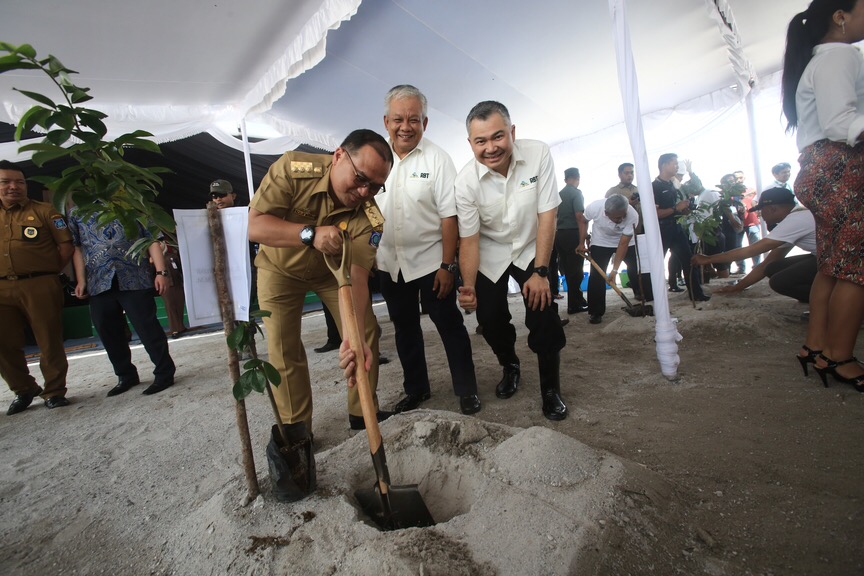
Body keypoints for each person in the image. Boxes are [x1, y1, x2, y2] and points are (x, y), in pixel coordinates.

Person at [248, 129, 394, 432]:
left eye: (376, 187)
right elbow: (254, 226)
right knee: (282, 346)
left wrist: (351, 334)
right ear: (339, 155)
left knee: (364, 331)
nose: (365, 192)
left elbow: (356, 277)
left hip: (333, 274)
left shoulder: (369, 218)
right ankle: (296, 428)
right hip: (279, 269)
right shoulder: (292, 170)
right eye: (361, 178)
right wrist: (310, 234)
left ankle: (362, 413)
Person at [454, 101, 567, 421]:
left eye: (498, 137)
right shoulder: (465, 183)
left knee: (543, 316)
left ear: (512, 132)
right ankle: (510, 364)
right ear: (471, 143)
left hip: (534, 246)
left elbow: (548, 215)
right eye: (481, 141)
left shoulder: (538, 154)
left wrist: (541, 271)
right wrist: (469, 286)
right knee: (489, 320)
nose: (490, 148)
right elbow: (470, 239)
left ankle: (550, 390)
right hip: (491, 251)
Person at [375, 84, 480, 416]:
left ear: (425, 122)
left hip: (431, 263)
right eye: (398, 119)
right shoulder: (376, 158)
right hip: (390, 264)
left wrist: (448, 267)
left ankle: (466, 389)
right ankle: (416, 390)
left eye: (414, 119)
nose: (405, 126)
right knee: (404, 329)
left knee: (447, 323)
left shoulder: (438, 159)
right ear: (386, 121)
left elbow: (450, 217)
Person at [781, 0, 864, 389]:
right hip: (841, 166)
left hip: (818, 166)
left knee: (832, 264)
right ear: (840, 16)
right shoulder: (839, 56)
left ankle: (815, 348)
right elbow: (841, 123)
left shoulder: (821, 60)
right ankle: (839, 357)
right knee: (856, 270)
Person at [69, 210, 177, 396]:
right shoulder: (77, 211)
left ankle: (164, 372)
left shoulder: (131, 203)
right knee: (107, 329)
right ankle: (125, 375)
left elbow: (151, 239)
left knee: (147, 326)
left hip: (134, 277)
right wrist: (81, 279)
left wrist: (161, 272)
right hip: (99, 280)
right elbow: (77, 248)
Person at [0, 160, 73, 414]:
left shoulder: (45, 211)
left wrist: (49, 271)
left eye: (19, 182)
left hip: (40, 283)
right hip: (1, 288)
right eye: (6, 182)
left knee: (49, 339)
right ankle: (23, 388)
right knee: (4, 344)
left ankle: (54, 391)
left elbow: (65, 247)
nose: (13, 187)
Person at [692, 188, 817, 303]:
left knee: (779, 282)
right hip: (823, 257)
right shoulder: (797, 216)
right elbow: (768, 262)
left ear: (772, 209)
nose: (759, 215)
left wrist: (709, 259)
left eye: (760, 211)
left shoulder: (795, 220)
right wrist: (737, 287)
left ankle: (823, 302)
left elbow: (750, 250)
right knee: (772, 268)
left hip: (830, 262)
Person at [652, 153, 709, 302]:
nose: (677, 166)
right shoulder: (654, 187)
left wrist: (685, 208)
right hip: (661, 230)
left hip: (677, 227)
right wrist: (676, 208)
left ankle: (696, 294)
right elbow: (655, 214)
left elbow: (696, 188)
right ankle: (655, 297)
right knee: (657, 264)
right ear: (664, 165)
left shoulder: (674, 185)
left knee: (689, 260)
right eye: (674, 164)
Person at [579, 194, 641, 324]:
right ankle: (596, 312)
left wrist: (615, 270)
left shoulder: (633, 215)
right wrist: (582, 242)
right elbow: (583, 220)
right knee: (596, 276)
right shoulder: (595, 207)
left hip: (626, 242)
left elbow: (623, 244)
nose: (622, 218)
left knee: (636, 268)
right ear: (606, 213)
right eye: (618, 217)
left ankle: (642, 294)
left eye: (624, 215)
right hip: (601, 241)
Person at [555, 167, 588, 315]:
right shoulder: (576, 193)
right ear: (578, 178)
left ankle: (578, 299)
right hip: (572, 234)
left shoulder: (558, 194)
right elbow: (580, 217)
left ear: (565, 179)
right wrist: (582, 242)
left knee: (568, 270)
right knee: (576, 272)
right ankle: (573, 305)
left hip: (559, 235)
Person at [606, 162, 642, 233]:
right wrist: (627, 204)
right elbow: (608, 213)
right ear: (619, 174)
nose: (630, 175)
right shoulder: (613, 191)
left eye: (632, 173)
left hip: (640, 229)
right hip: (621, 231)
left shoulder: (639, 189)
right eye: (626, 173)